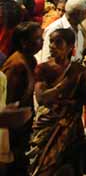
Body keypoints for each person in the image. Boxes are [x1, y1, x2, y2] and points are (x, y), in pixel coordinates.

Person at [28, 28, 86, 176]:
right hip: (47, 124)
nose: (52, 46)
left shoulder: (77, 70)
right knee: (43, 165)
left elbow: (84, 99)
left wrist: (68, 104)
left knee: (68, 163)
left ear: (70, 47)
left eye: (58, 42)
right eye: (51, 42)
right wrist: (65, 84)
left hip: (70, 127)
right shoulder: (44, 68)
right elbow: (42, 98)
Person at [3, 22, 42, 172]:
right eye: (37, 38)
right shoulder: (16, 65)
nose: (42, 42)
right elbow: (9, 102)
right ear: (24, 42)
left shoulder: (29, 60)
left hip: (23, 128)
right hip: (13, 131)